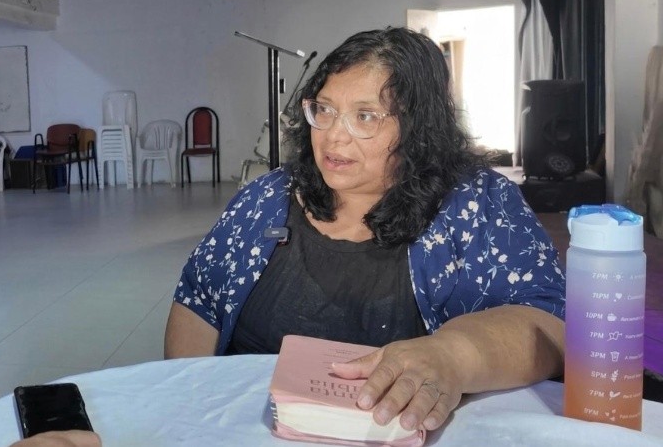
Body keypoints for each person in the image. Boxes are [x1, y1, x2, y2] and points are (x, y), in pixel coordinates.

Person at [165, 27, 565, 432]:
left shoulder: (477, 203)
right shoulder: (265, 199)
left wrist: (453, 355)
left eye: (365, 116)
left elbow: (551, 322)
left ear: (418, 128)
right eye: (324, 109)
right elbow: (199, 299)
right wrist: (191, 417)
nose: (334, 135)